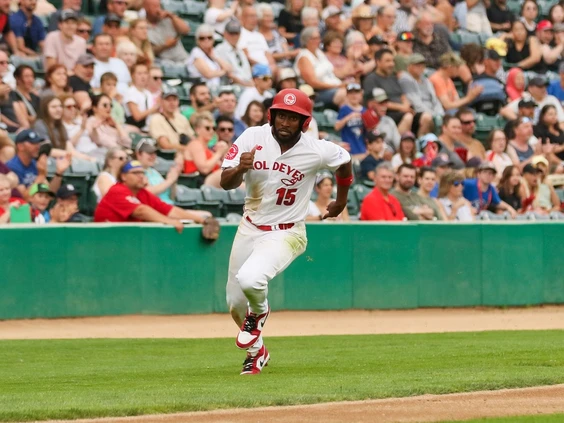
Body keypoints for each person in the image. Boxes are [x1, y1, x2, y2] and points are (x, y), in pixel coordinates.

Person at [219, 88, 351, 375]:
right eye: (281, 115)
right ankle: (258, 352)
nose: (285, 122)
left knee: (251, 279)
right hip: (250, 226)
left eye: (293, 117)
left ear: (304, 122)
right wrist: (240, 169)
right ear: (272, 115)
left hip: (287, 231)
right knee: (234, 304)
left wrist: (341, 200)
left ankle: (260, 311)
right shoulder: (253, 137)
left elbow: (344, 162)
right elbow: (225, 183)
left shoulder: (315, 149)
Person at [94, 160, 220, 237]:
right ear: (124, 176)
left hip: (126, 239)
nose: (140, 176)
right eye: (135, 173)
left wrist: (201, 220)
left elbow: (169, 210)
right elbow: (141, 211)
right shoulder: (117, 190)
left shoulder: (142, 193)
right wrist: (168, 221)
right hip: (104, 239)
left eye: (142, 173)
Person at [7, 129, 69, 198]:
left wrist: (59, 173)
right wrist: (41, 176)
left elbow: (49, 195)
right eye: (33, 143)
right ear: (20, 146)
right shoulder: (12, 167)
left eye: (38, 143)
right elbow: (24, 198)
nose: (38, 146)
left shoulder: (34, 163)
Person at [294, 27, 346, 108]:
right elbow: (313, 83)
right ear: (307, 40)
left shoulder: (319, 53)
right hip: (318, 93)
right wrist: (336, 86)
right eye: (315, 38)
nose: (318, 40)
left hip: (335, 86)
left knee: (354, 90)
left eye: (318, 38)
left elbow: (335, 72)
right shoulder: (304, 57)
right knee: (345, 94)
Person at [34, 95, 92, 162]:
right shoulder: (40, 125)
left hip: (61, 160)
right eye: (54, 107)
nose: (58, 109)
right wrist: (68, 154)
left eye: (60, 106)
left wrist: (87, 158)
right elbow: (47, 151)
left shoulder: (60, 126)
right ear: (45, 109)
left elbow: (70, 148)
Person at [398, 53, 444, 133]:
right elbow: (416, 103)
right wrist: (433, 115)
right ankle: (421, 140)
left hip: (432, 110)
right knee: (427, 117)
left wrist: (440, 113)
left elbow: (434, 99)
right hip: (417, 112)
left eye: (422, 65)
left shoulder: (426, 80)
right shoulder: (405, 80)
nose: (420, 68)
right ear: (409, 66)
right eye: (417, 65)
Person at [184, 112, 229, 187]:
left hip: (210, 181)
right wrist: (219, 153)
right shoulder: (195, 145)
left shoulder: (207, 149)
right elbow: (204, 169)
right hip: (199, 182)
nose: (211, 131)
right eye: (207, 128)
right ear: (197, 130)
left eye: (213, 128)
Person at [135, 138, 180, 205]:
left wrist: (173, 180)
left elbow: (170, 195)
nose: (153, 156)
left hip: (169, 206)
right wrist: (170, 180)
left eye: (154, 153)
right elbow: (147, 193)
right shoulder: (135, 172)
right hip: (155, 210)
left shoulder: (153, 171)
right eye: (149, 153)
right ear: (139, 154)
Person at [150, 85, 194, 151]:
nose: (172, 103)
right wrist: (188, 149)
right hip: (168, 157)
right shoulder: (156, 119)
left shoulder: (182, 118)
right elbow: (165, 145)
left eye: (174, 100)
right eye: (168, 100)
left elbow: (192, 138)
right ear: (161, 102)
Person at [214, 19, 253, 88]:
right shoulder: (220, 49)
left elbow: (247, 70)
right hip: (231, 86)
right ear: (225, 33)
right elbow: (229, 74)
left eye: (236, 33)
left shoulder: (240, 50)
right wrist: (246, 85)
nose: (234, 36)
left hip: (246, 84)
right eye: (231, 33)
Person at [362, 88, 400, 154]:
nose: (384, 107)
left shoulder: (388, 120)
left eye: (386, 103)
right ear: (370, 104)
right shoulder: (363, 119)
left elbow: (398, 144)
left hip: (391, 156)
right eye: (381, 103)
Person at [124, 62, 158, 133]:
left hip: (150, 128)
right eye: (139, 73)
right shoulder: (131, 92)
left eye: (145, 73)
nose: (143, 76)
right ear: (133, 75)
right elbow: (137, 116)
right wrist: (154, 108)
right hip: (136, 129)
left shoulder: (148, 93)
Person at [334, 83, 365, 157]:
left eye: (356, 92)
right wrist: (349, 117)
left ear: (361, 95)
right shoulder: (344, 109)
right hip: (349, 149)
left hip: (363, 148)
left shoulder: (364, 110)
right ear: (347, 95)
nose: (354, 95)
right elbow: (336, 127)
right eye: (351, 93)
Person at [11, 65, 40, 130]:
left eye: (32, 76)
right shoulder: (12, 95)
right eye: (26, 76)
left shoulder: (35, 96)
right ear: (17, 78)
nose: (30, 80)